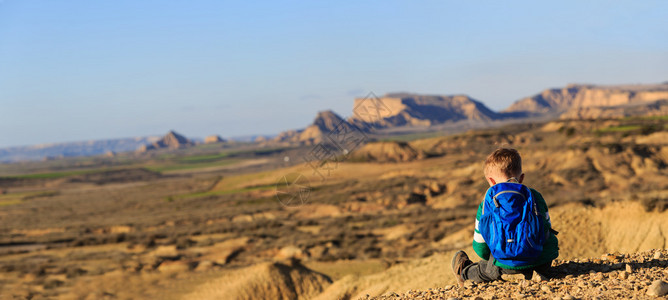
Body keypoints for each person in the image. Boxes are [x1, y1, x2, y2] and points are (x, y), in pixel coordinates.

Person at [452, 148, 559, 285]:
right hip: (542, 264)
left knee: (481, 270)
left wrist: (495, 256)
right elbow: (547, 229)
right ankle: (530, 272)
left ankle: (463, 273)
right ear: (521, 178)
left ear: (491, 181)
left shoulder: (486, 204)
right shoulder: (535, 196)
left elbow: (480, 247)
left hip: (504, 266)